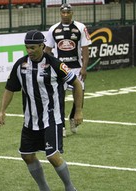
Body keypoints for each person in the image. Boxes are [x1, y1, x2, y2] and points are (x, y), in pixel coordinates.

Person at [0, 30, 83, 191]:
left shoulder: (55, 64)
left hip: (52, 118)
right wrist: (2, 111)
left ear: (43, 46)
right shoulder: (20, 65)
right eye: (27, 47)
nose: (30, 50)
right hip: (31, 120)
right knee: (27, 155)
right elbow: (10, 88)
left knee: (52, 156)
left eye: (33, 47)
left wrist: (79, 111)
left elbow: (76, 83)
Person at [44, 3, 92, 137]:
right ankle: (61, 126)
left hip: (76, 68)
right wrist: (48, 66)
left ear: (72, 13)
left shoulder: (80, 28)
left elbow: (85, 49)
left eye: (68, 12)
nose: (65, 15)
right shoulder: (53, 29)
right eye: (63, 13)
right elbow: (47, 50)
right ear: (60, 13)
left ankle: (73, 117)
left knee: (80, 97)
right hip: (60, 69)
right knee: (59, 98)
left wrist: (84, 67)